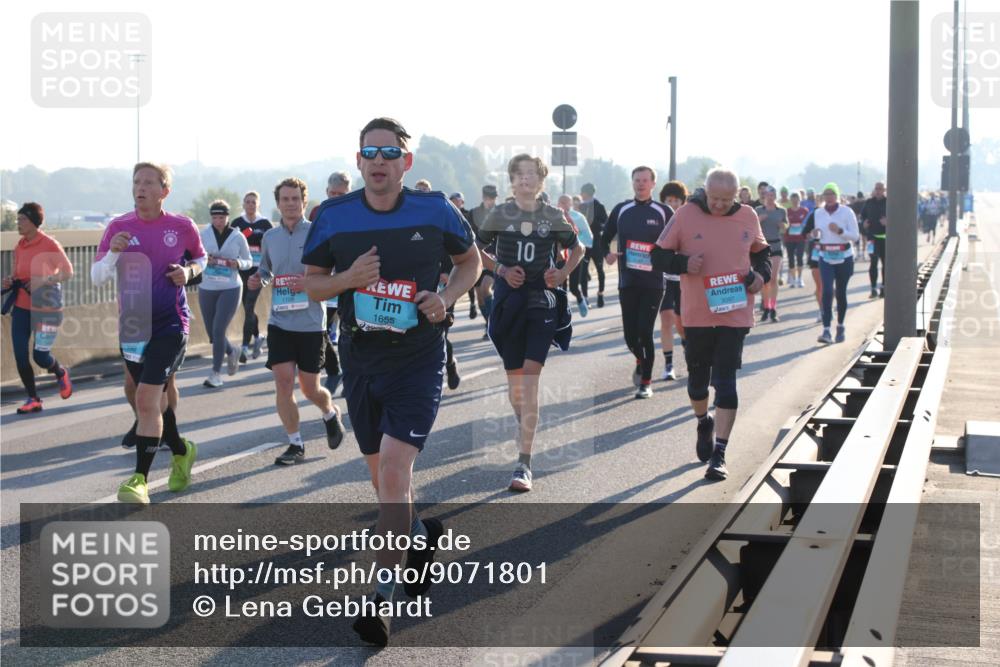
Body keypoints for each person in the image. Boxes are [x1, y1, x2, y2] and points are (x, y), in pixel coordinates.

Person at [302, 117, 480, 646]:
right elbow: (312, 285)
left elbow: (470, 262)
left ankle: (379, 600)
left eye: (389, 152)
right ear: (359, 161)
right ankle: (421, 535)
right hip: (360, 360)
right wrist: (348, 279)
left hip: (418, 359)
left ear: (407, 161)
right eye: (370, 153)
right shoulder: (333, 216)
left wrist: (445, 298)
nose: (379, 161)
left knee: (396, 472)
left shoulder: (435, 209)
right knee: (384, 483)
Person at [91, 162, 206, 504]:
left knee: (145, 397)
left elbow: (201, 259)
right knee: (156, 399)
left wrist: (188, 272)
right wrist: (113, 254)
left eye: (148, 182)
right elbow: (97, 278)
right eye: (136, 181)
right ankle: (182, 450)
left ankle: (139, 480)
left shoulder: (181, 226)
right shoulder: (118, 227)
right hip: (133, 325)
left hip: (171, 323)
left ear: (164, 191)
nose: (140, 187)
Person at [652, 168, 771, 481]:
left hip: (735, 312)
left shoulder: (747, 216)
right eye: (714, 198)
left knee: (726, 381)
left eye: (726, 200)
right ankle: (703, 421)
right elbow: (658, 256)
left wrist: (760, 276)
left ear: (736, 196)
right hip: (697, 314)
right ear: (705, 192)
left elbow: (763, 254)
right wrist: (683, 263)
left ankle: (720, 453)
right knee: (697, 384)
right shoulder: (685, 214)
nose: (719, 205)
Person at [477, 154, 583, 492]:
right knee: (516, 389)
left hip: (541, 303)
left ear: (541, 180)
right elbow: (474, 251)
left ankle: (524, 462)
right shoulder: (500, 213)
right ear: (512, 180)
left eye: (532, 174)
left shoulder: (552, 216)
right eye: (520, 174)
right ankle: (524, 425)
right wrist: (501, 270)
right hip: (508, 303)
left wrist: (562, 274)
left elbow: (578, 248)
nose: (526, 179)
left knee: (529, 380)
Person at [246, 177, 345, 465]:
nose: (290, 204)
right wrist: (258, 279)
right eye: (285, 199)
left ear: (303, 201)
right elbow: (266, 269)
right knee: (283, 382)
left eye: (295, 199)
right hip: (280, 321)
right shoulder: (270, 237)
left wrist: (311, 282)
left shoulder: (318, 233)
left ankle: (329, 412)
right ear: (278, 204)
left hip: (311, 323)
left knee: (310, 388)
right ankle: (295, 443)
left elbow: (334, 271)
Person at [603, 167, 671, 398]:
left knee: (645, 331)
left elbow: (676, 240)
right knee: (630, 336)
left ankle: (646, 383)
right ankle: (641, 360)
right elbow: (604, 238)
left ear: (653, 184)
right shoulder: (621, 210)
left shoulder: (663, 211)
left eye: (644, 180)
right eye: (637, 180)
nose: (640, 184)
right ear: (632, 182)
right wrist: (608, 254)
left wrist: (664, 258)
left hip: (653, 281)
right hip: (628, 280)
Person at [2, 202, 74, 413]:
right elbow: (19, 274)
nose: (18, 223)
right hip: (22, 307)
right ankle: (33, 399)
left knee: (40, 357)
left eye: (22, 219)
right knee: (20, 355)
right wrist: (10, 280)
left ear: (34, 221)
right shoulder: (19, 246)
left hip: (47, 309)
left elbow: (68, 272)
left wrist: (44, 280)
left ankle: (60, 372)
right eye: (18, 219)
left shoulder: (50, 244)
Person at [198, 200, 252, 388]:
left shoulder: (237, 236)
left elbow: (248, 260)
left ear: (228, 217)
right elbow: (194, 256)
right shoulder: (203, 234)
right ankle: (232, 351)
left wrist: (238, 263)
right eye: (215, 217)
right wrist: (205, 259)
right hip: (207, 286)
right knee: (212, 333)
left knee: (219, 329)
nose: (218, 221)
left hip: (230, 288)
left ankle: (215, 374)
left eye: (221, 217)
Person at [809, 182, 860, 344]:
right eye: (826, 194)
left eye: (832, 194)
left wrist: (840, 231)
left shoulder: (846, 212)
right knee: (827, 291)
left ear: (837, 196)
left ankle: (840, 326)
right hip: (825, 256)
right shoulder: (818, 213)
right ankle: (826, 330)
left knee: (841, 293)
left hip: (844, 256)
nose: (829, 197)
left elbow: (855, 236)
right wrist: (815, 234)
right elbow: (817, 236)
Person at [230, 191, 273, 363]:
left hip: (259, 271)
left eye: (253, 202)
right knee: (247, 308)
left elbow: (272, 246)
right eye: (247, 202)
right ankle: (258, 336)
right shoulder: (237, 223)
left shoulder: (265, 224)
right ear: (243, 204)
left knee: (249, 305)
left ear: (258, 204)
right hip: (242, 271)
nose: (250, 205)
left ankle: (244, 347)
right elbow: (231, 244)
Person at [658, 180, 688, 381]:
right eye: (669, 200)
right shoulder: (658, 220)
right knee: (666, 320)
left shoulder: (689, 220)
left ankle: (688, 350)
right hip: (664, 279)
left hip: (685, 280)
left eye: (676, 200)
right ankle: (668, 365)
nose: (673, 204)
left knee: (683, 324)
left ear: (682, 201)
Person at [467, 184, 499, 338]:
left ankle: (495, 324)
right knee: (480, 296)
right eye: (488, 198)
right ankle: (489, 324)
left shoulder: (501, 213)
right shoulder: (473, 214)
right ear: (483, 197)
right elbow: (468, 234)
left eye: (493, 198)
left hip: (494, 258)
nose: (491, 201)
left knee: (486, 288)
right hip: (477, 258)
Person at [755, 186, 788, 322]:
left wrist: (782, 226)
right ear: (764, 196)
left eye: (772, 195)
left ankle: (773, 308)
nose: (770, 197)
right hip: (762, 247)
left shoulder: (781, 211)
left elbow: (785, 228)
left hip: (776, 245)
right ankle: (766, 307)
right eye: (768, 195)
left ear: (775, 196)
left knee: (773, 279)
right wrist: (759, 220)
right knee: (765, 281)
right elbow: (752, 227)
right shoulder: (758, 210)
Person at [559, 194, 593, 317]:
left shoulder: (578, 217)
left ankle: (580, 299)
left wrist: (574, 240)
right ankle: (563, 310)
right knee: (561, 285)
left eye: (566, 202)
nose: (563, 204)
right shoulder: (554, 216)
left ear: (571, 204)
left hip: (575, 256)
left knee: (573, 287)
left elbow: (589, 237)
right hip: (560, 256)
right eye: (561, 202)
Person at [578, 182, 609, 308]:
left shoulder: (599, 206)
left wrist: (596, 225)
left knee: (600, 269)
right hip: (584, 244)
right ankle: (585, 298)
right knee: (583, 271)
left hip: (596, 243)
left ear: (587, 193)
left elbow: (606, 223)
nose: (581, 194)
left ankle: (600, 293)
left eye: (582, 192)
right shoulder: (580, 206)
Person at [860, 182, 887, 298]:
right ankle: (873, 289)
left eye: (880, 189)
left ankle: (884, 288)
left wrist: (888, 222)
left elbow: (898, 218)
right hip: (872, 238)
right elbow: (862, 216)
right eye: (876, 189)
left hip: (885, 238)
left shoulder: (889, 202)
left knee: (886, 264)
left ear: (884, 190)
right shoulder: (869, 202)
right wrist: (864, 223)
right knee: (873, 263)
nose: (878, 191)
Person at [783, 192, 809, 289]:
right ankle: (793, 279)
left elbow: (807, 224)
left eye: (796, 199)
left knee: (799, 257)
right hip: (789, 238)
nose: (794, 201)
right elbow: (784, 224)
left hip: (801, 238)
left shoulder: (804, 211)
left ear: (799, 199)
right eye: (793, 199)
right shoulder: (787, 211)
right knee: (790, 259)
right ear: (790, 200)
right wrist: (785, 227)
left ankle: (800, 278)